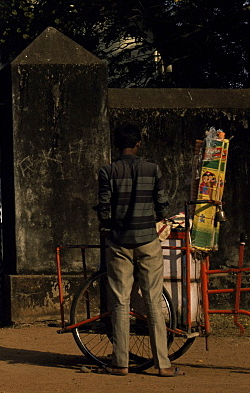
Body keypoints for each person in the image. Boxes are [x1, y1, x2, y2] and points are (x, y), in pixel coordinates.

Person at [96, 124, 182, 378]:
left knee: (120, 301)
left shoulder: (107, 171)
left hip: (120, 241)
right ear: (138, 144)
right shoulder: (152, 169)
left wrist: (108, 226)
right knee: (153, 300)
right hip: (148, 241)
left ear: (117, 145)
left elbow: (104, 208)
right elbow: (162, 205)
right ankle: (163, 364)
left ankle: (120, 362)